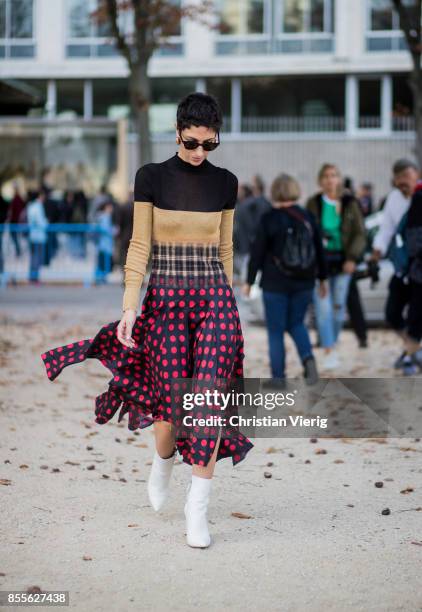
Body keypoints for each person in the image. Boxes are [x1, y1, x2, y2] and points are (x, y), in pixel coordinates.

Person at [40, 92, 253, 550]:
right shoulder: (151, 177)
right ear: (177, 132)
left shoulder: (226, 183)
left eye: (210, 145)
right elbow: (140, 247)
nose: (200, 153)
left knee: (208, 400)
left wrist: (230, 299)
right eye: (193, 143)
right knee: (169, 415)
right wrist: (129, 308)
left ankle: (197, 508)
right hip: (166, 302)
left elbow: (226, 249)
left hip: (214, 299)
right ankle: (162, 462)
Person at [242, 173, 328, 387]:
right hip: (305, 282)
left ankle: (279, 378)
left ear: (275, 192)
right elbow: (319, 251)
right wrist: (323, 279)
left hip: (275, 283)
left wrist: (249, 281)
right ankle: (308, 358)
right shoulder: (308, 217)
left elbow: (257, 253)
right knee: (297, 323)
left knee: (275, 330)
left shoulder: (269, 218)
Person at [306, 164, 366, 370]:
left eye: (334, 176)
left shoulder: (350, 203)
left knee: (339, 309)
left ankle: (332, 339)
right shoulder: (313, 204)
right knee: (323, 309)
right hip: (320, 264)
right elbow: (307, 232)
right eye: (326, 176)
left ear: (339, 179)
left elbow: (360, 233)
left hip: (343, 262)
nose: (330, 180)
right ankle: (329, 349)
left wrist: (352, 258)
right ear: (320, 180)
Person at [371, 159, 419, 371]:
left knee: (416, 316)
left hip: (420, 266)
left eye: (406, 176)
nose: (402, 181)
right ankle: (413, 351)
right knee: (392, 312)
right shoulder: (393, 199)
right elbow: (386, 229)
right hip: (403, 266)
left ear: (416, 174)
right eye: (398, 178)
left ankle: (410, 357)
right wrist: (377, 250)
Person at [26, 190, 48, 283]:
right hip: (38, 236)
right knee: (37, 257)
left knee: (33, 257)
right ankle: (34, 277)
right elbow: (40, 222)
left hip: (33, 235)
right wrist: (46, 223)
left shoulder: (30, 206)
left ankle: (32, 276)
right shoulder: (38, 207)